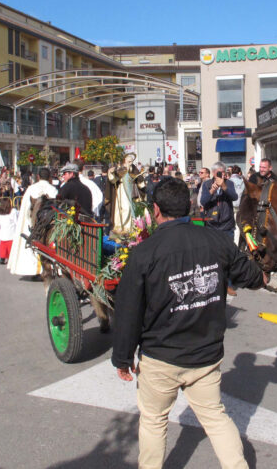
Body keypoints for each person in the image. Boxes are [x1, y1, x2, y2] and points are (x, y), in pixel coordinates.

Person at [112, 178, 265, 469]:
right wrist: (262, 276)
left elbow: (128, 311)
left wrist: (122, 357)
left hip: (161, 358)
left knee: (154, 422)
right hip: (204, 356)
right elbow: (252, 276)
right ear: (190, 206)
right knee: (216, 417)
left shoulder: (144, 253)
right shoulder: (216, 239)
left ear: (155, 210)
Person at [8, 168, 57, 276]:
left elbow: (25, 208)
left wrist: (27, 221)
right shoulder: (53, 189)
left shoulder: (31, 189)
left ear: (38, 177)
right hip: (50, 224)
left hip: (33, 222)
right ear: (49, 177)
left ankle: (33, 269)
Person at [107, 153, 146, 235]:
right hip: (121, 190)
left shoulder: (134, 169)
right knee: (120, 209)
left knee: (128, 208)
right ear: (124, 161)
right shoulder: (120, 168)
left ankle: (128, 228)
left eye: (131, 161)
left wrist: (141, 182)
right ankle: (119, 227)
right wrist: (111, 173)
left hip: (130, 191)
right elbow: (114, 180)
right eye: (129, 161)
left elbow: (139, 180)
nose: (130, 163)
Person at [199, 162, 238, 240]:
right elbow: (203, 201)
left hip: (227, 225)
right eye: (219, 172)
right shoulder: (207, 184)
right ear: (213, 173)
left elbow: (234, 197)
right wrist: (212, 190)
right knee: (212, 250)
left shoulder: (229, 183)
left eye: (223, 172)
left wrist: (224, 186)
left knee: (228, 250)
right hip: (211, 225)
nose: (222, 174)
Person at [0, 199, 18, 265]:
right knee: (11, 249)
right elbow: (17, 222)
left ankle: (2, 258)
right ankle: (10, 259)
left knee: (3, 248)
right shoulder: (13, 212)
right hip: (12, 235)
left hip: (3, 235)